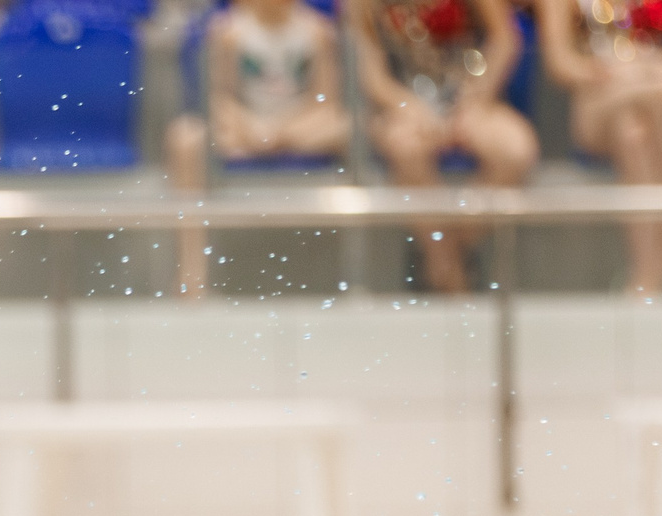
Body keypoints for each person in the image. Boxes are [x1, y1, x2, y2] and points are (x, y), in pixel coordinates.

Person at [348, 0, 538, 292]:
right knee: (405, 146)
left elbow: (505, 40)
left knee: (515, 149)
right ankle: (453, 282)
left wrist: (473, 99)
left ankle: (443, 255)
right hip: (403, 104)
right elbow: (372, 75)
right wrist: (410, 107)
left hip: (469, 96)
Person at [167, 0, 350, 298]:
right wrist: (253, 128)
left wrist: (283, 132)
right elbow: (218, 99)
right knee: (185, 137)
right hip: (244, 130)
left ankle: (353, 274)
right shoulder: (227, 31)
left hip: (300, 131)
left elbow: (326, 103)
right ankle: (192, 274)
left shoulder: (318, 30)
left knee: (348, 126)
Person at [539, 0, 662, 296]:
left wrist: (644, 63)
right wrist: (611, 71)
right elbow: (560, 64)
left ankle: (645, 274)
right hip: (600, 99)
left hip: (659, 103)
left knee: (633, 132)